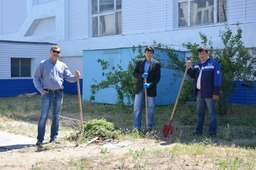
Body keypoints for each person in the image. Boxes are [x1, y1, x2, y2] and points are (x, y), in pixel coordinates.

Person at [33, 45, 80, 146]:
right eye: (54, 51)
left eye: (58, 52)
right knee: (43, 116)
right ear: (50, 52)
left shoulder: (62, 65)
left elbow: (69, 78)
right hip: (47, 93)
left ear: (60, 54)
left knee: (56, 116)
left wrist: (76, 77)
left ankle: (53, 138)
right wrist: (41, 90)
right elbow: (36, 78)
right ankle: (40, 139)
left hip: (59, 93)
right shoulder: (43, 64)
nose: (56, 53)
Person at [186, 46, 221, 137]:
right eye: (200, 54)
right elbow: (193, 75)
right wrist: (189, 68)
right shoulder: (198, 64)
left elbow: (217, 79)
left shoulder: (213, 64)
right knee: (199, 113)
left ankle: (212, 133)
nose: (201, 55)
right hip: (200, 93)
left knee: (212, 114)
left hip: (210, 93)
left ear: (207, 53)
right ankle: (198, 131)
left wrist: (216, 93)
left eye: (203, 53)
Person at [133, 46, 161, 131]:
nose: (149, 54)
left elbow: (157, 78)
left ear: (152, 54)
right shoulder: (140, 62)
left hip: (150, 88)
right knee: (137, 107)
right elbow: (134, 73)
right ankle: (136, 126)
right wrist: (141, 76)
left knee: (151, 107)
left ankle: (149, 126)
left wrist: (150, 84)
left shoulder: (156, 64)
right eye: (147, 52)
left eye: (151, 53)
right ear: (145, 53)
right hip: (140, 87)